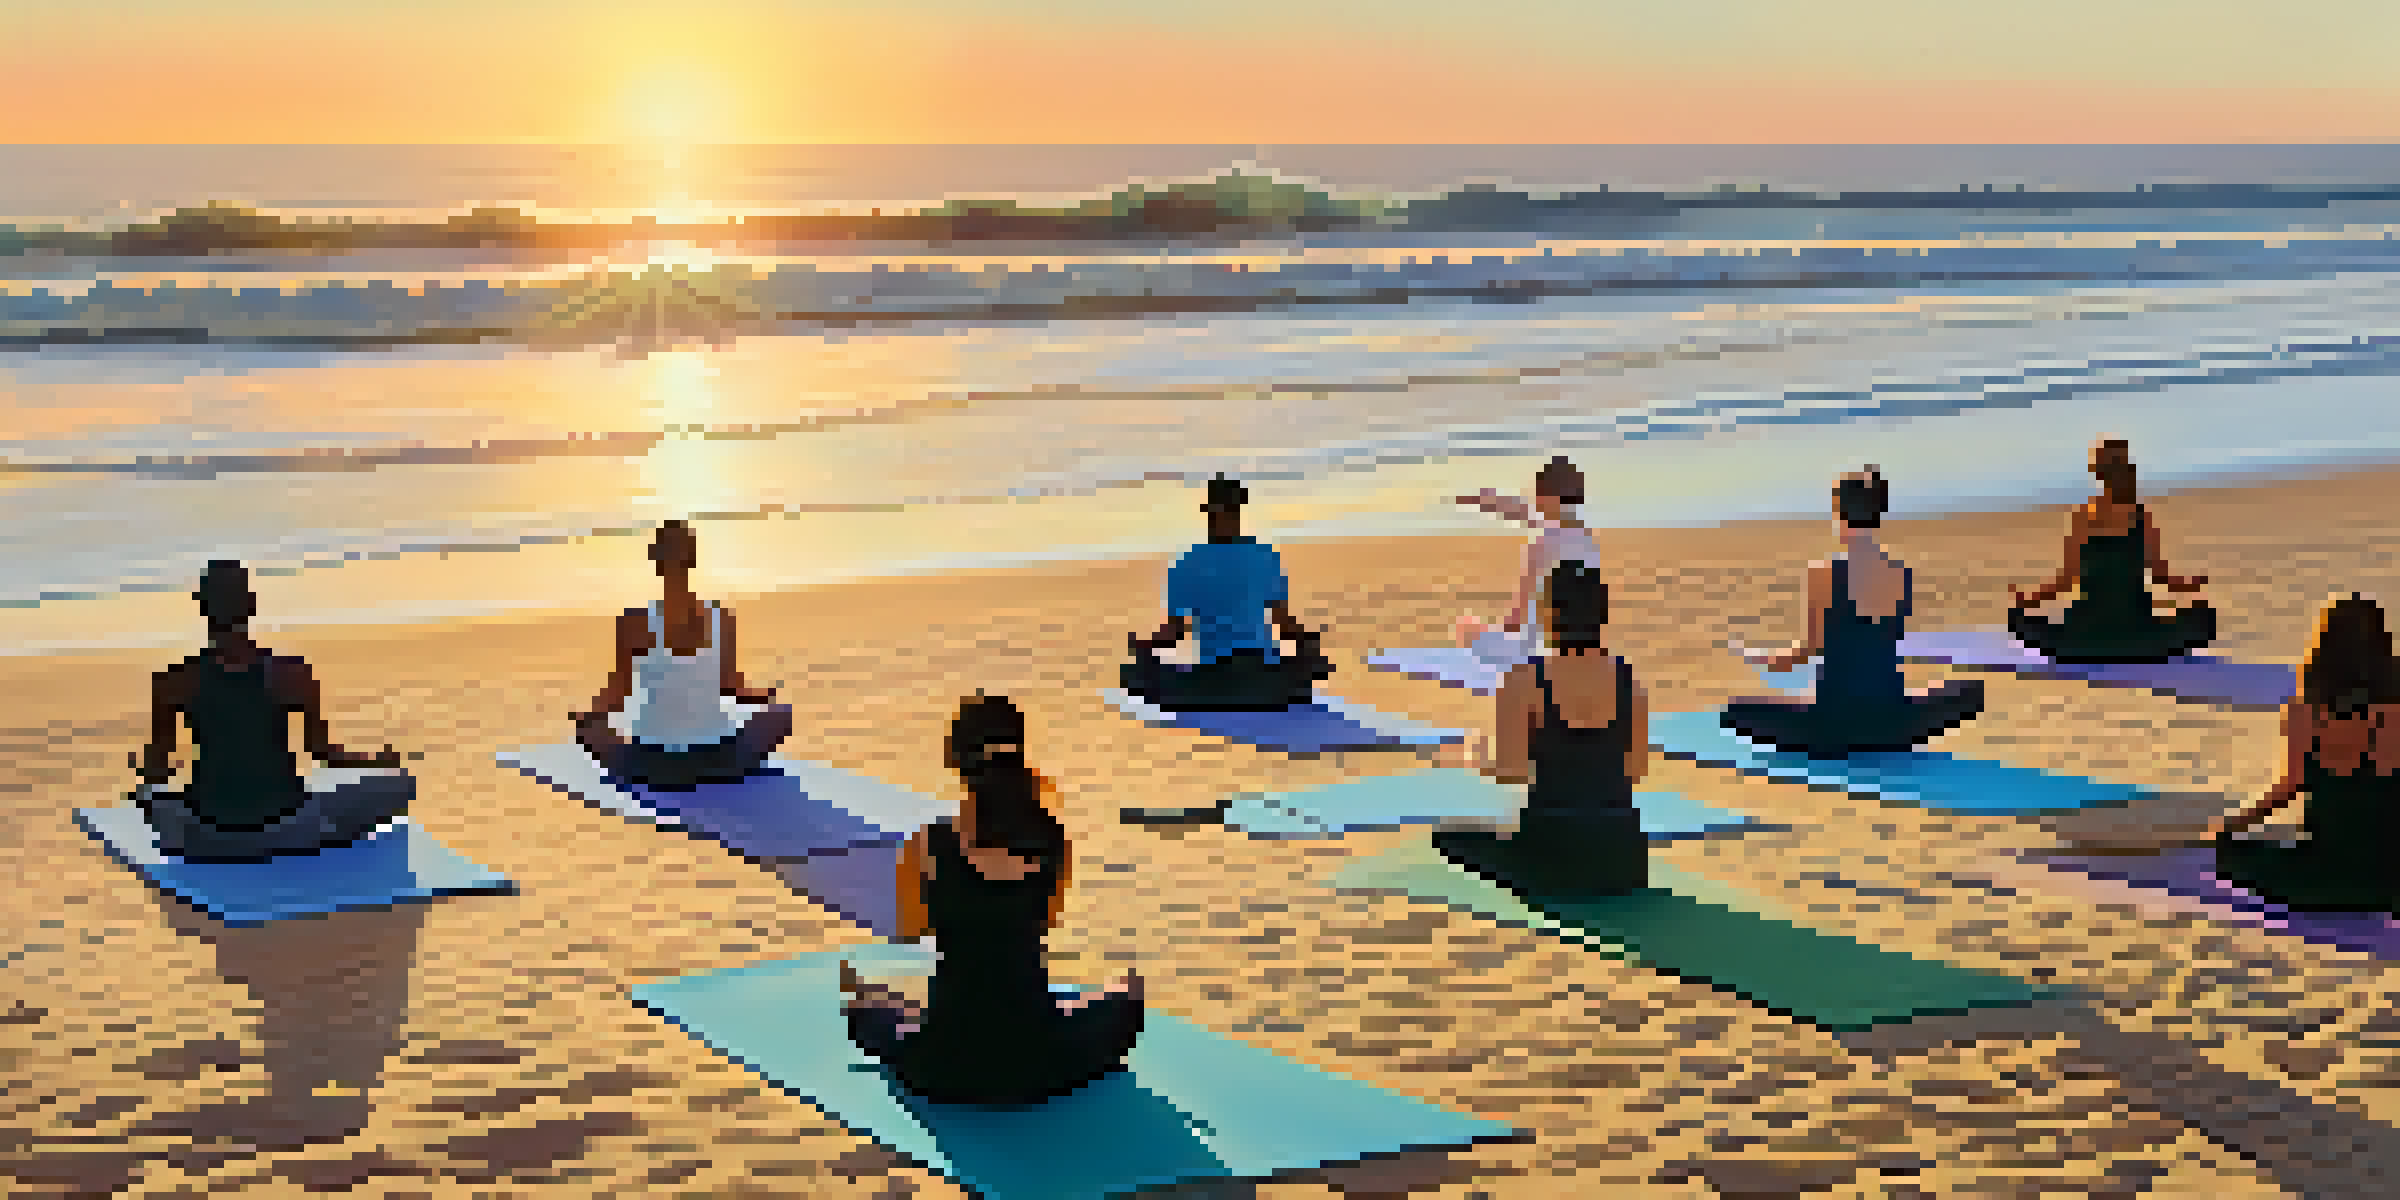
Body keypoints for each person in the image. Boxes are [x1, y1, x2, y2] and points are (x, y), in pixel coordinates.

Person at [841, 694, 1144, 1104]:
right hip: (1041, 1061)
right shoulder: (1053, 841)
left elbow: (915, 929)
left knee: (868, 1007)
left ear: (956, 761)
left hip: (945, 1065)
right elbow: (1046, 922)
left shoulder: (927, 844)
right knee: (1125, 993)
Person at [130, 560, 415, 862]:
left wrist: (146, 773)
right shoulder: (292, 673)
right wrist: (376, 761)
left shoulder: (174, 681)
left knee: (151, 800)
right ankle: (318, 835)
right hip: (289, 827)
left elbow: (158, 768)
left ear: (203, 610)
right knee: (399, 783)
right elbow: (324, 753)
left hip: (210, 832)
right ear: (251, 605)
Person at [1722, 467, 1985, 757]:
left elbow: (1811, 649)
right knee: (1969, 691)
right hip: (1894, 723)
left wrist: (1769, 660)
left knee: (1735, 710)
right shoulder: (1901, 574)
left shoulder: (1823, 573)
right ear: (1877, 515)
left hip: (1835, 725)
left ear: (1838, 514)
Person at [1432, 561, 1651, 899]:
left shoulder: (1525, 680)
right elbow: (1636, 772)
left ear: (1548, 615)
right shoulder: (1628, 679)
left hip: (1554, 854)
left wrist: (1476, 757)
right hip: (1623, 857)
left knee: (1448, 836)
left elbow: (1510, 771)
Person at [2206, 593, 2400, 912]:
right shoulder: (2392, 709)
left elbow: (2289, 787)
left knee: (2237, 856)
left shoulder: (2306, 711)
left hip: (2328, 869)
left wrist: (2233, 826)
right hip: (2389, 873)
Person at [572, 520, 793, 791]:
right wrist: (763, 698)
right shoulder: (721, 619)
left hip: (654, 766)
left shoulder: (633, 622)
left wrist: (588, 717)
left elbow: (617, 697)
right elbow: (733, 688)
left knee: (590, 731)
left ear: (656, 561)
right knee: (781, 713)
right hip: (722, 761)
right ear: (693, 559)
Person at [1123, 475, 1334, 711]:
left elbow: (1175, 632)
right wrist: (1309, 644)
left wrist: (1144, 647)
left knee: (1137, 672)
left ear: (1209, 514)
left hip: (1214, 681)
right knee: (1305, 661)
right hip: (1264, 679)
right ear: (1238, 512)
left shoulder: (1187, 563)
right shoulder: (1265, 557)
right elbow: (1284, 625)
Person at [2007, 437, 2215, 664]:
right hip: (2136, 630)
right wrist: (2190, 585)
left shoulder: (2084, 516)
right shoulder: (2140, 516)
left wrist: (2029, 600)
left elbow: (2066, 580)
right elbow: (2160, 576)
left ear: (2098, 474)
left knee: (2022, 621)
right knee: (2201, 619)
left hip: (2087, 635)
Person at [1453, 456, 1602, 671]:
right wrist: (1484, 501)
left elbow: (1517, 615)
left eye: (1539, 494)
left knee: (1466, 626)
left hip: (1536, 650)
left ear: (1547, 496)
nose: (1536, 499)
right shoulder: (1584, 536)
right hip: (1579, 645)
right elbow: (1527, 513)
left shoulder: (1544, 542)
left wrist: (1496, 636)